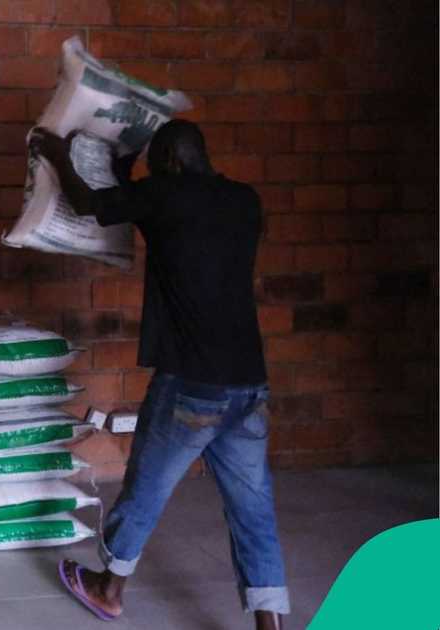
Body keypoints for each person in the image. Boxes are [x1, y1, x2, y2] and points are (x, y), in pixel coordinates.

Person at [30, 120, 288, 630]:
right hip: (248, 385)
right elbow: (161, 212)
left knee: (146, 487)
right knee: (254, 512)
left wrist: (60, 156)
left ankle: (108, 589)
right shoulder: (245, 201)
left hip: (191, 385)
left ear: (167, 161)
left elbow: (89, 205)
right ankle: (270, 624)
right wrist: (126, 172)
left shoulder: (164, 195)